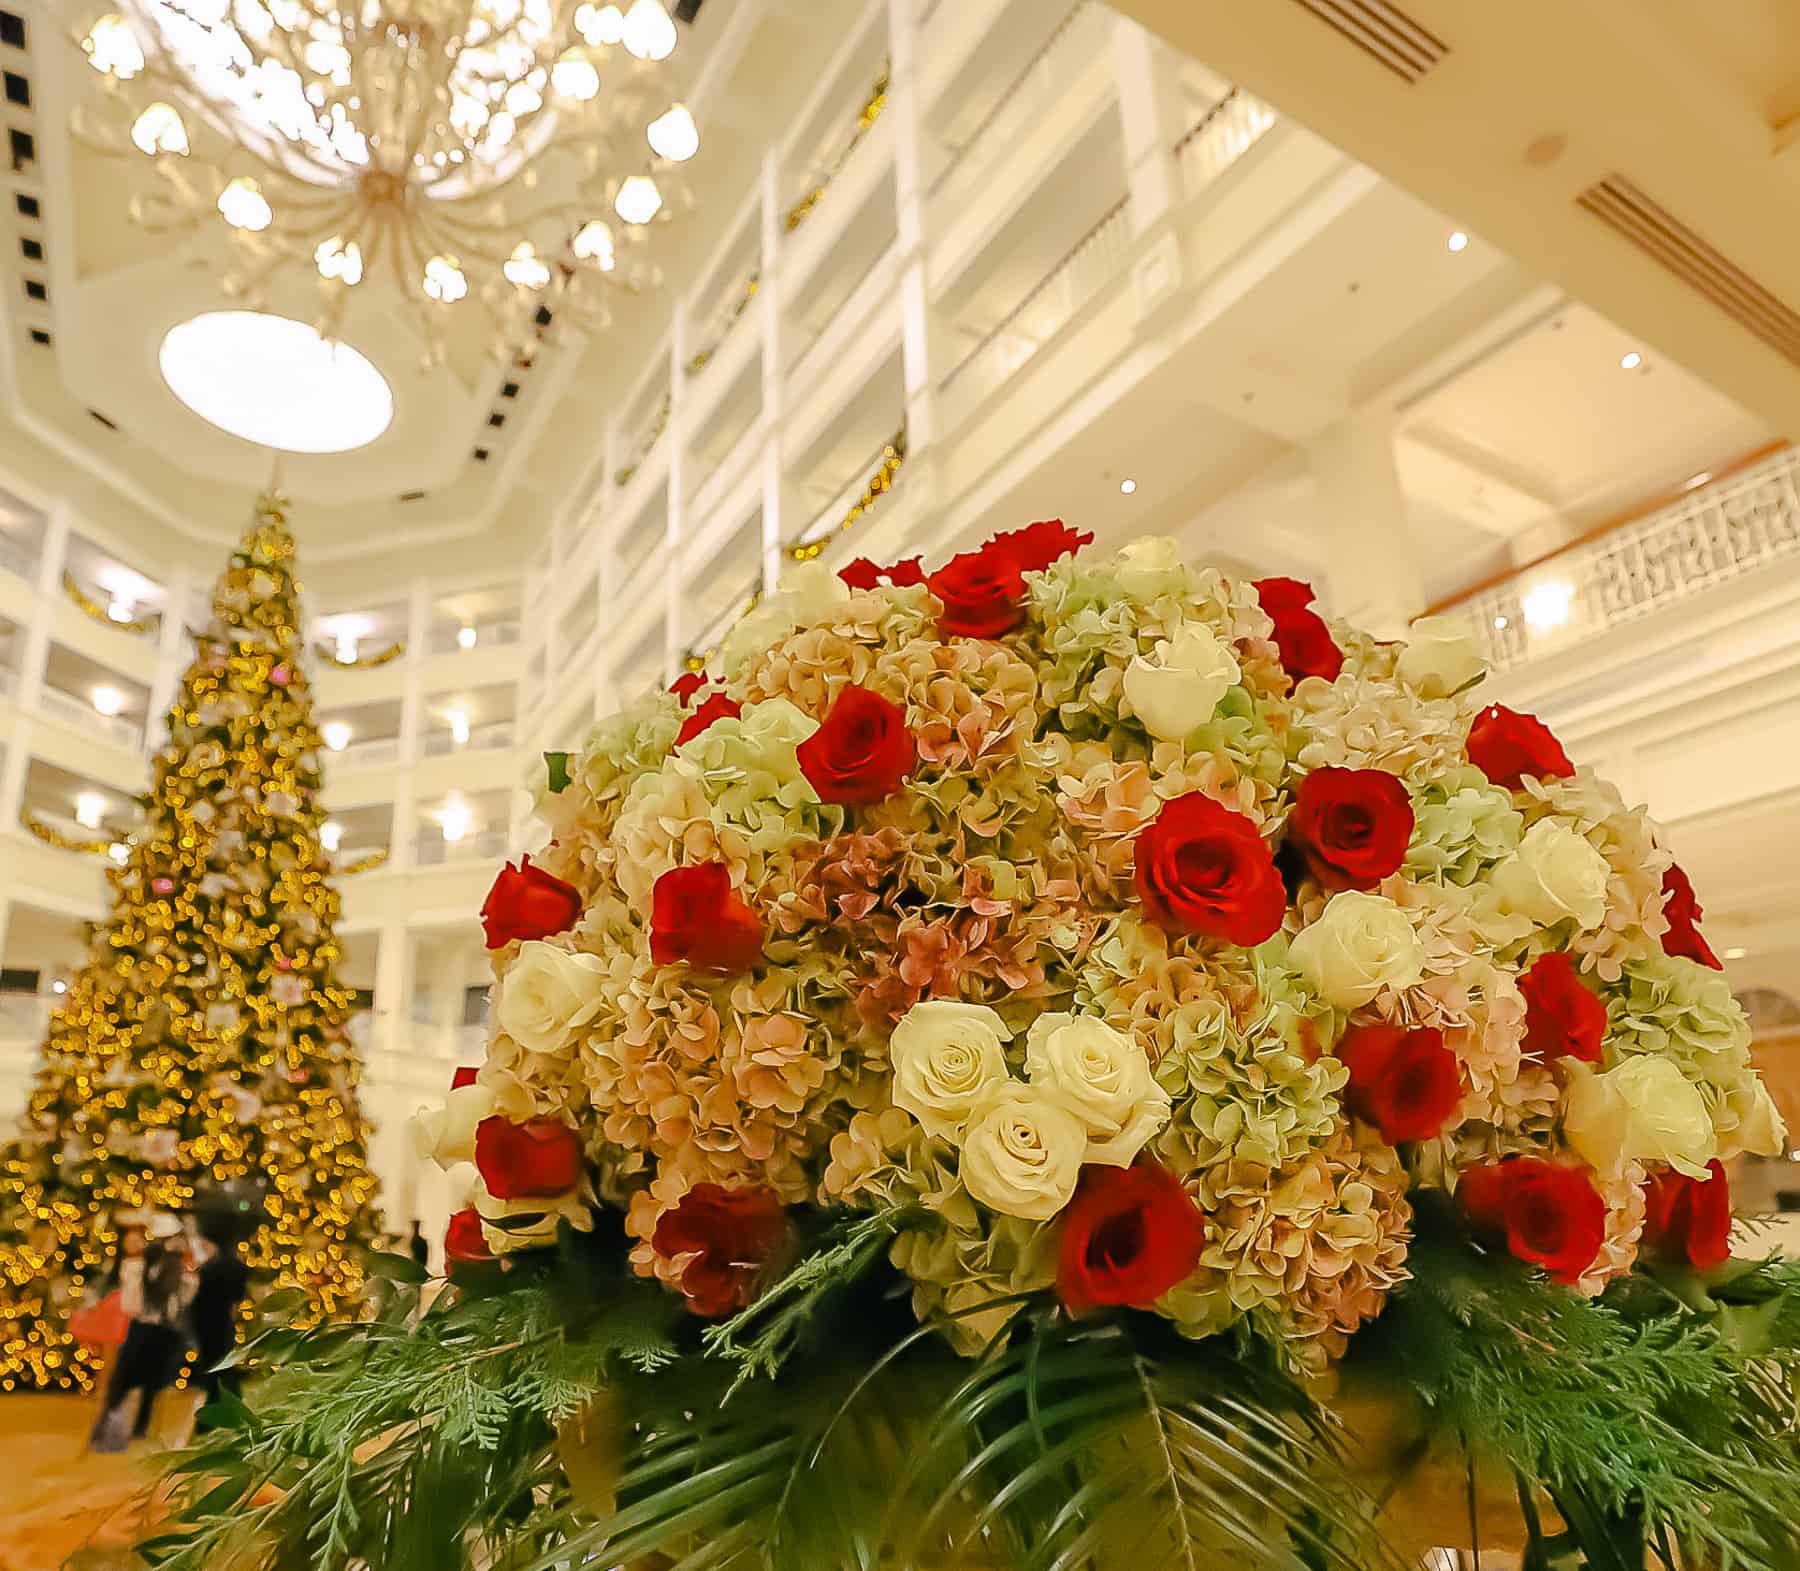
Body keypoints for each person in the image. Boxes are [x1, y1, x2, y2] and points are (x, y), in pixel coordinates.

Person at [89, 1219, 195, 1451]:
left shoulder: (172, 1272)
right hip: (151, 1330)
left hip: (157, 1331)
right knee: (129, 1382)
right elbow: (134, 1304)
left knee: (137, 1383)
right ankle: (117, 1430)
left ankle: (127, 1430)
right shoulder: (145, 1269)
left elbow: (135, 1305)